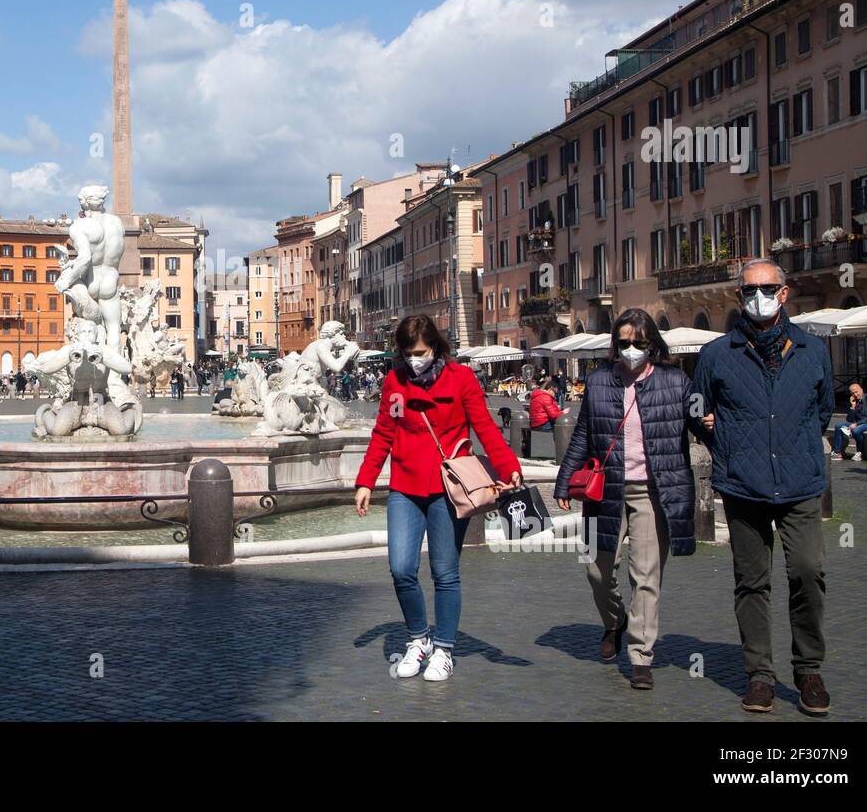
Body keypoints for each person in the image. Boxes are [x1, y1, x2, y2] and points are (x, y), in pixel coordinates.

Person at [692, 258, 833, 716]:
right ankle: (759, 675)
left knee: (807, 573)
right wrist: (718, 435)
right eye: (750, 290)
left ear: (784, 292)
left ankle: (808, 669)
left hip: (800, 483)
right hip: (743, 484)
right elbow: (697, 408)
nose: (759, 297)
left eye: (768, 288)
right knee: (751, 583)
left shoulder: (813, 351)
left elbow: (823, 410)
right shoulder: (716, 355)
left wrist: (799, 447)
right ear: (738, 297)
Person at [354, 314, 523, 683]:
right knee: (401, 569)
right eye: (409, 353)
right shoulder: (395, 383)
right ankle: (419, 639)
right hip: (404, 485)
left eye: (422, 352)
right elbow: (383, 432)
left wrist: (509, 467)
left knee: (445, 573)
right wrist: (366, 481)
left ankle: (444, 648)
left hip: (449, 489)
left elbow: (485, 428)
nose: (416, 359)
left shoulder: (461, 379)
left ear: (436, 348)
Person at [554, 309, 703, 691]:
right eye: (624, 343)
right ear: (614, 345)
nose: (631, 349)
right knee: (596, 570)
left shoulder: (676, 381)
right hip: (605, 490)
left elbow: (702, 422)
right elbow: (584, 433)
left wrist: (716, 428)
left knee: (646, 576)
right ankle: (615, 622)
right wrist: (564, 482)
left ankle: (641, 655)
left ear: (652, 343)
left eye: (638, 343)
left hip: (655, 490)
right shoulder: (600, 381)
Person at [830, 382, 867, 461]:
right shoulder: (855, 400)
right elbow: (849, 420)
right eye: (853, 393)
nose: (855, 394)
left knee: (856, 430)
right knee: (838, 426)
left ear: (861, 390)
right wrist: (853, 407)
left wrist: (857, 424)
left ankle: (860, 451)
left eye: (856, 392)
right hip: (857, 422)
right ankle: (837, 452)